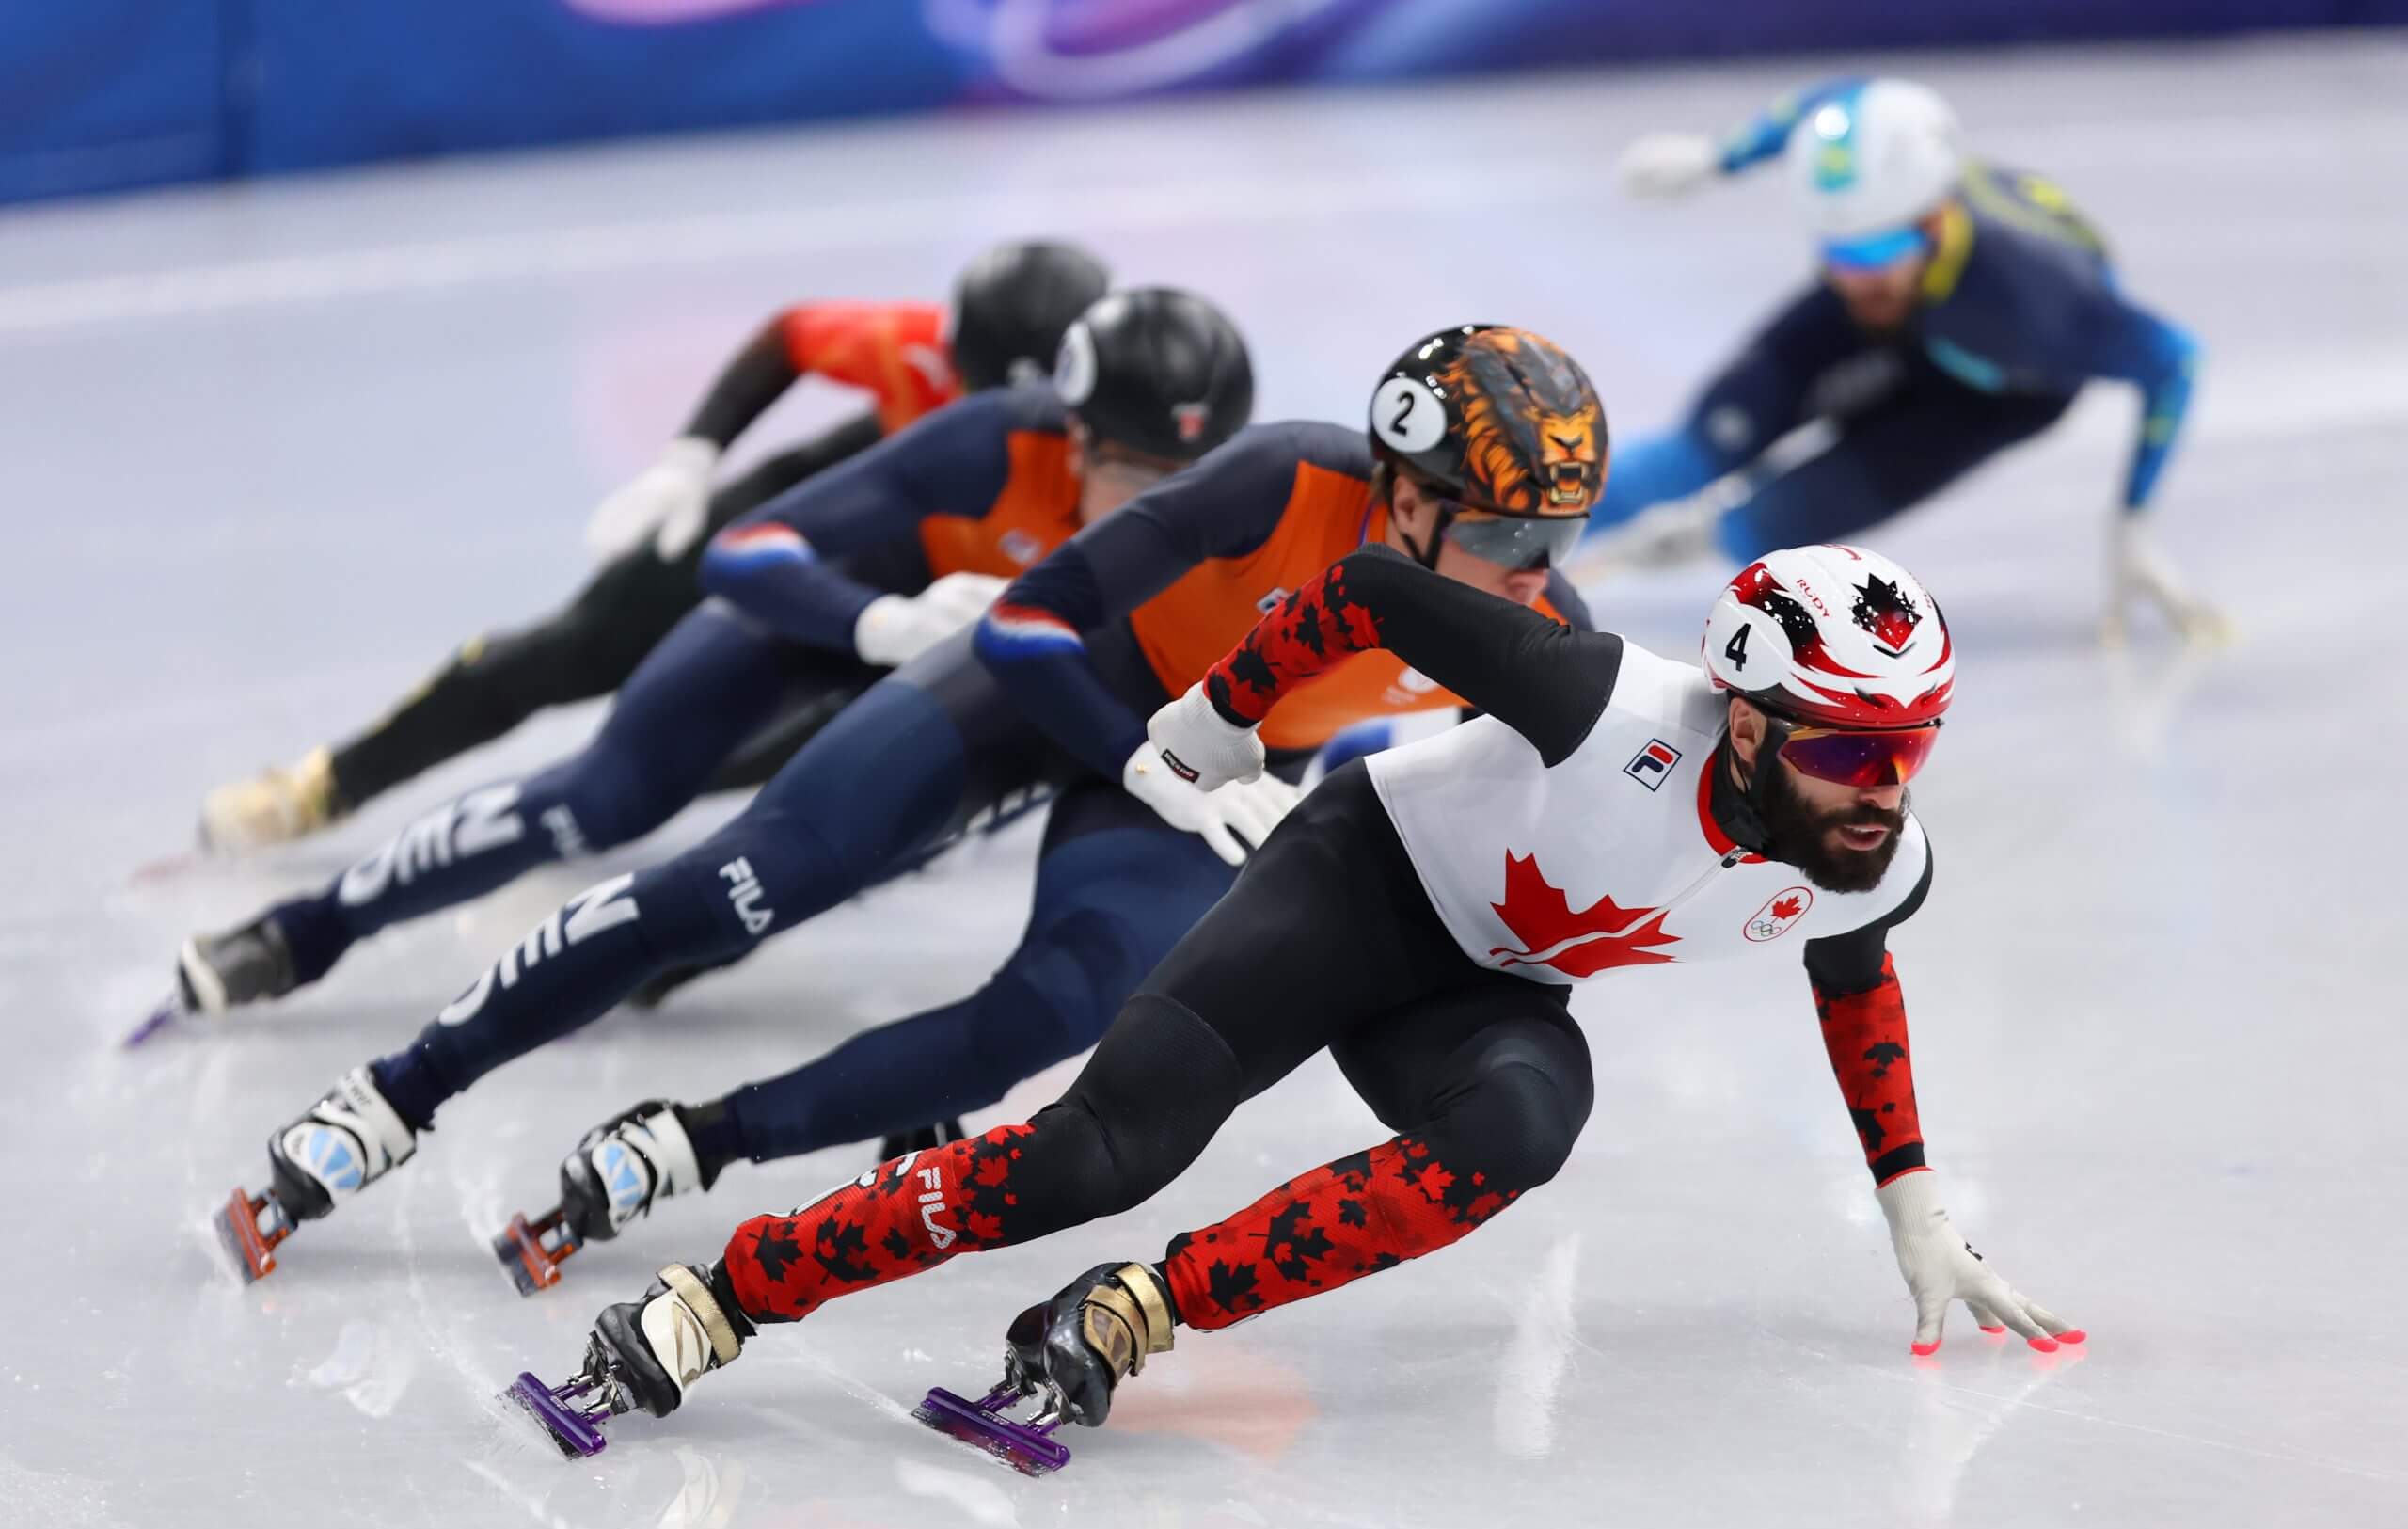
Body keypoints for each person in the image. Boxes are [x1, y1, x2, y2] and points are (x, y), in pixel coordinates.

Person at [532, 540, 2082, 1448]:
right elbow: (1369, 587)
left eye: (1908, 751)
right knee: (1087, 1155)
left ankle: (1134, 1310)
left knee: (1532, 1120)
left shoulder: (1876, 858)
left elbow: (1855, 979)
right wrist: (1225, 711)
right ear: (1744, 725)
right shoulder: (1604, 698)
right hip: (1352, 886)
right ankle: (726, 1292)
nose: (1881, 789)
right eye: (1847, 750)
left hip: (1478, 990)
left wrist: (1911, 1198)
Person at [212, 323, 1602, 1292]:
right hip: (1072, 696)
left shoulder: (1534, 620)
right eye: (1497, 534)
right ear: (1399, 490)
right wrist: (1142, 756)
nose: (1528, 573)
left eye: (1556, 539)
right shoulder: (1281, 477)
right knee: (725, 890)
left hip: (1207, 768)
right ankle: (399, 1092)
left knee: (1057, 1017)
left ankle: (700, 1136)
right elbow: (1028, 627)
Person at [194, 240, 1110, 852]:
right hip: (863, 493)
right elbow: (789, 337)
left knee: (782, 747)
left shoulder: (1127, 457)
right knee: (578, 646)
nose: (999, 428)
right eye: (974, 399)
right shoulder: (911, 353)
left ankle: (571, 837)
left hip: (960, 578)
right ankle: (326, 784)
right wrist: (691, 456)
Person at [1600, 78, 2222, 642]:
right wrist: (1720, 159)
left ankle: (1718, 535)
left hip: (1997, 392)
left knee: (1765, 524)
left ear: (1934, 220)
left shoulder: (2040, 297)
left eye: (1872, 254)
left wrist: (2132, 519)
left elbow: (2175, 361)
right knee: (1697, 450)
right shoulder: (1873, 244)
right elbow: (1836, 107)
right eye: (1837, 255)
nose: (1853, 277)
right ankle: (1526, 519)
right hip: (1919, 314)